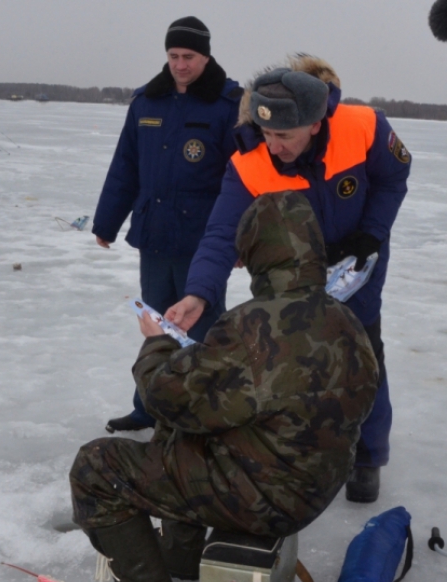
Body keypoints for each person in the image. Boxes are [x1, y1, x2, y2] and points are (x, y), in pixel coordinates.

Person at [66, 191, 379, 582]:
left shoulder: (252, 324)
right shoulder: (346, 320)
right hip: (312, 487)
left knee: (96, 468)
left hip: (264, 498)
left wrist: (157, 344)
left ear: (254, 253)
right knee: (190, 428)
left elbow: (164, 396)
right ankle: (179, 555)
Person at [167, 55, 411, 503]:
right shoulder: (249, 161)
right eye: (266, 133)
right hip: (289, 270)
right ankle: (306, 449)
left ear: (315, 124)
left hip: (359, 259)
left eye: (284, 136)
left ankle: (368, 456)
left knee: (362, 352)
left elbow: (394, 178)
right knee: (297, 361)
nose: (273, 146)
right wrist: (199, 293)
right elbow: (222, 231)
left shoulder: (365, 126)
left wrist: (370, 235)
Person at [91, 16, 242, 433]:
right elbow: (125, 167)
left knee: (205, 328)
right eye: (173, 56)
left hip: (205, 242)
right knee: (155, 324)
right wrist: (107, 221)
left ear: (205, 55)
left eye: (188, 56)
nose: (179, 64)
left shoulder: (229, 104)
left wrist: (242, 241)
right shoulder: (147, 101)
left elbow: (247, 178)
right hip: (155, 233)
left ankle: (207, 411)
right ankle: (148, 406)